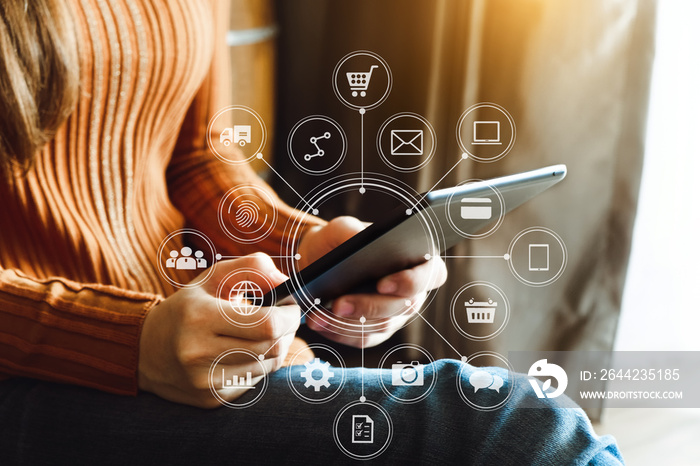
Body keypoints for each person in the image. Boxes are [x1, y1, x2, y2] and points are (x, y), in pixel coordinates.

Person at [0, 1, 623, 464]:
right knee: (517, 429)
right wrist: (124, 343)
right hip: (43, 370)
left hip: (194, 339)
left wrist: (307, 245)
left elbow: (195, 155)